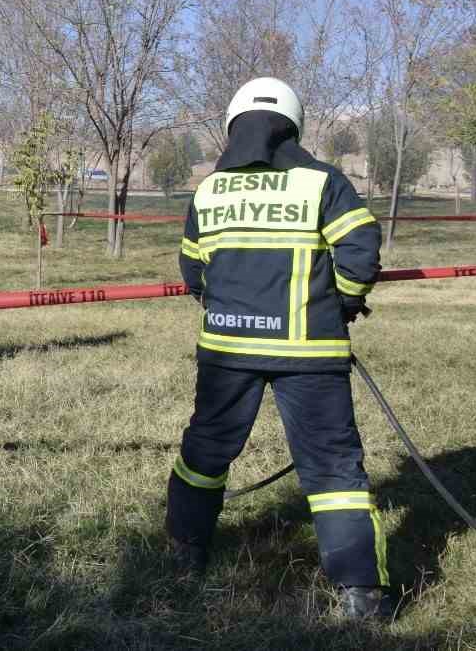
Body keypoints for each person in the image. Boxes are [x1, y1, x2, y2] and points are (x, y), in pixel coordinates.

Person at [167, 78, 394, 620]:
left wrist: (218, 299)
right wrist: (341, 303)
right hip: (310, 354)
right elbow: (360, 250)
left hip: (226, 350)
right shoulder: (323, 182)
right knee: (334, 469)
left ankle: (184, 555)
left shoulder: (209, 190)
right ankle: (362, 593)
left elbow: (192, 268)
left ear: (233, 127)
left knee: (206, 452)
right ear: (293, 126)